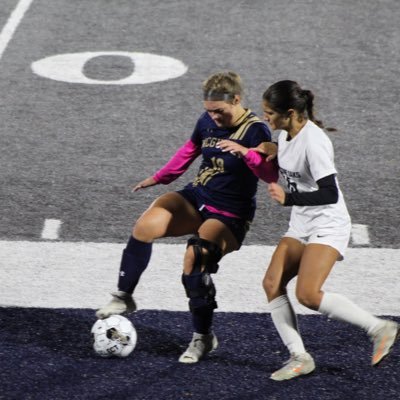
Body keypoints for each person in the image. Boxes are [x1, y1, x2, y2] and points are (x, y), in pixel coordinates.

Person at [96, 71, 278, 363]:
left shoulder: (256, 130)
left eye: (220, 111)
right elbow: (190, 150)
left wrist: (246, 153)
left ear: (236, 99)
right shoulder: (207, 121)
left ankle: (203, 338)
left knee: (196, 256)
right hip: (199, 197)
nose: (214, 118)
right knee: (146, 225)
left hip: (231, 213)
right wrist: (159, 177)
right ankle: (124, 297)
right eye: (209, 111)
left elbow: (270, 174)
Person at [260, 80, 399, 381]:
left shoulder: (315, 141)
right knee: (272, 283)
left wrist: (288, 199)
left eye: (270, 113)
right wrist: (274, 149)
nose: (265, 118)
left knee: (308, 295)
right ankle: (300, 357)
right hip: (302, 221)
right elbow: (291, 156)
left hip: (328, 222)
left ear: (291, 113)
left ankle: (379, 327)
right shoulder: (286, 133)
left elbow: (329, 193)